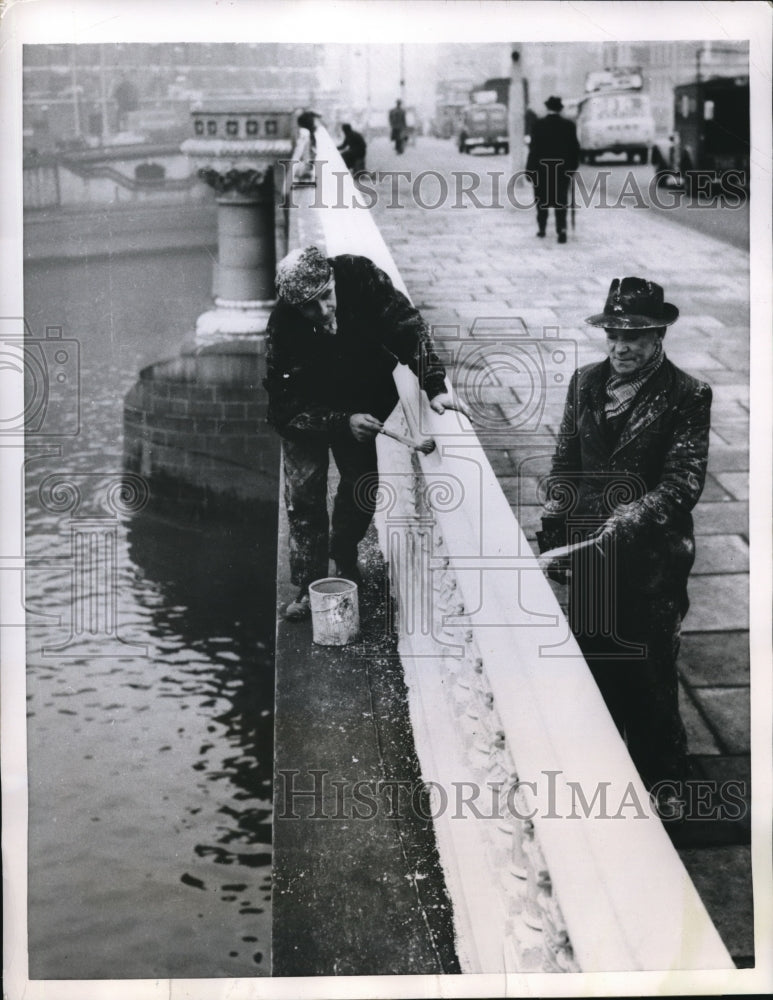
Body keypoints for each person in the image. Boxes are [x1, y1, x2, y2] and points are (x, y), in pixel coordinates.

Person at [537, 277, 712, 810]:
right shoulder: (584, 383)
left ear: (659, 336)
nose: (621, 346)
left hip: (653, 563)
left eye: (635, 336)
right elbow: (565, 462)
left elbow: (683, 482)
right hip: (589, 554)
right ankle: (608, 774)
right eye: (613, 333)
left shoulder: (687, 394)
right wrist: (554, 527)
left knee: (651, 672)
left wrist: (623, 520)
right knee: (597, 662)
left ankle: (667, 781)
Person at [264, 246, 456, 621]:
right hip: (308, 413)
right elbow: (284, 408)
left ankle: (344, 553)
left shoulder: (361, 277)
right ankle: (308, 584)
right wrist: (341, 420)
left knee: (363, 483)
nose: (323, 311)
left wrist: (434, 383)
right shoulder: (282, 327)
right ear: (292, 306)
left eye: (326, 297)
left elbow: (407, 327)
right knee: (304, 495)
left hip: (361, 394)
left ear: (334, 280)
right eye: (309, 307)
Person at [525, 96, 580, 244]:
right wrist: (572, 169)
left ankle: (542, 228)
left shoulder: (538, 125)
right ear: (560, 109)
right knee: (560, 201)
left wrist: (529, 170)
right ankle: (561, 229)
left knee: (541, 201)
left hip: (542, 170)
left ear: (547, 108)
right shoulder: (569, 126)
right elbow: (574, 149)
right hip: (562, 171)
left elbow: (533, 150)